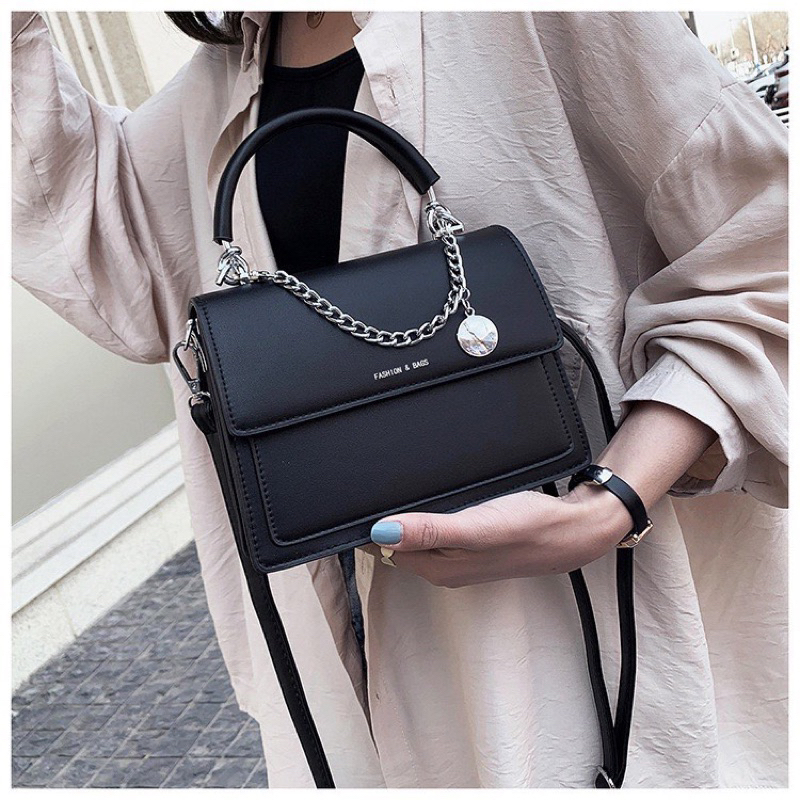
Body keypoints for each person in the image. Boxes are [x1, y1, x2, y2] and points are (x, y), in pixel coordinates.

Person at [11, 10, 788, 789]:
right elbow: (110, 259)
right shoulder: (217, 86)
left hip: (585, 619)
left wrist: (606, 508)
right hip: (350, 650)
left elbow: (764, 253)